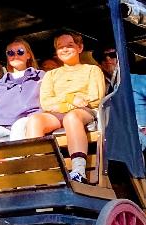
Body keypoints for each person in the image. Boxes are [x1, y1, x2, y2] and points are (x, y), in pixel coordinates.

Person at [21, 32, 105, 182]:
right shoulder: (51, 75)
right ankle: (39, 170)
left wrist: (65, 105)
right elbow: (46, 102)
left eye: (70, 45)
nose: (65, 49)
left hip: (85, 112)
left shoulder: (92, 70)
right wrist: (70, 99)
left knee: (71, 118)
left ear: (80, 48)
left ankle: (78, 170)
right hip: (59, 112)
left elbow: (95, 98)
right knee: (35, 120)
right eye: (60, 47)